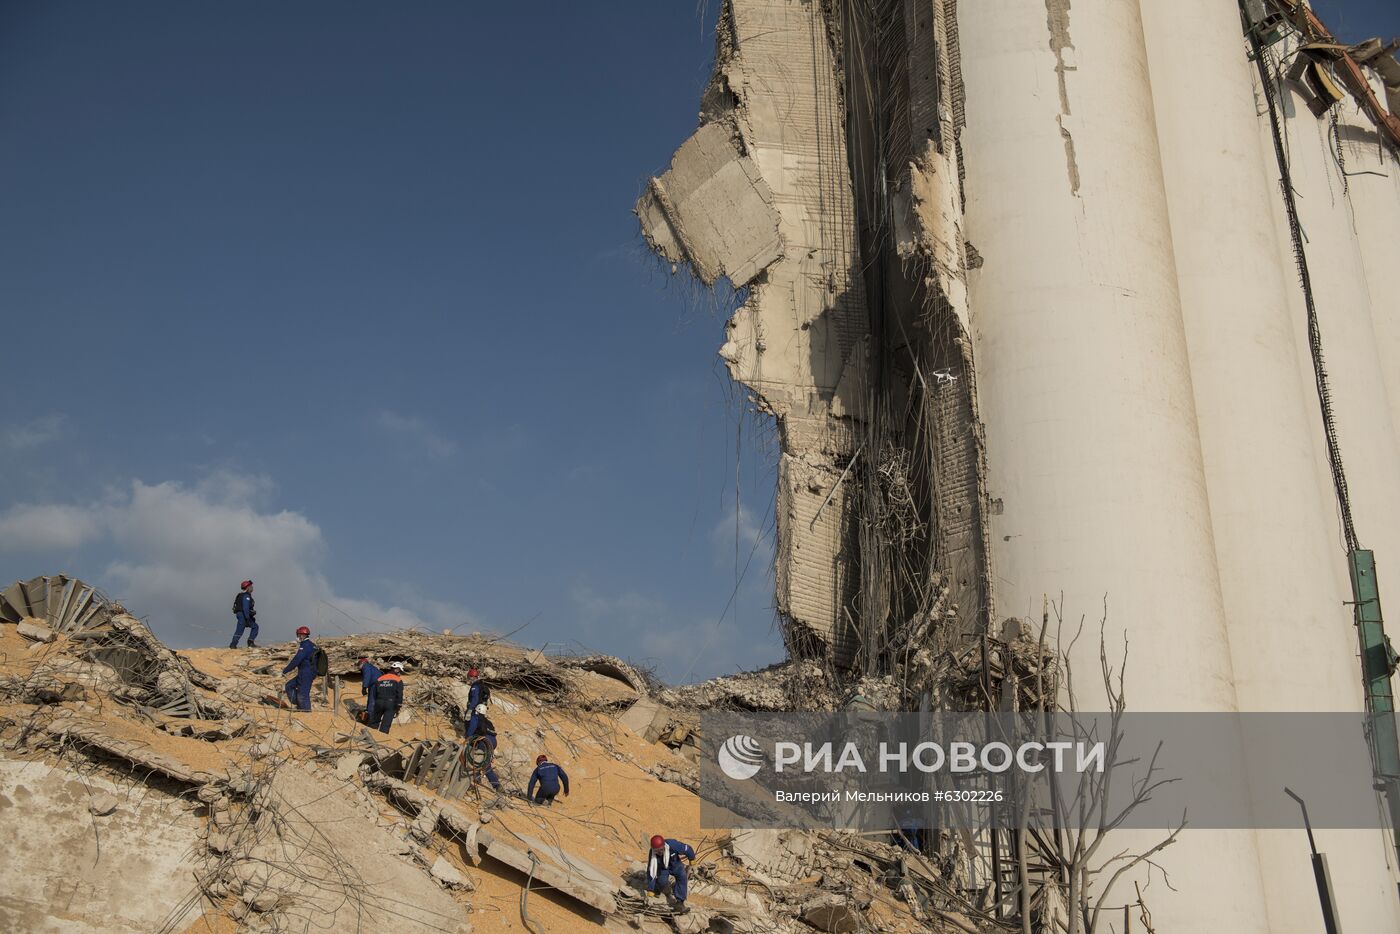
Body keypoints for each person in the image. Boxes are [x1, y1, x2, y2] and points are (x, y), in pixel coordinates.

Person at [645, 835, 695, 910]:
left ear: (664, 846)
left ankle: (680, 902)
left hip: (676, 865)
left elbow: (687, 849)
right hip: (663, 868)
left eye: (661, 849)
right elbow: (651, 870)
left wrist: (692, 858)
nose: (659, 852)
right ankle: (659, 889)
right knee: (662, 882)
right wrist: (650, 889)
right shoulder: (652, 853)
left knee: (682, 876)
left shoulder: (673, 845)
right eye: (656, 851)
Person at [282, 626, 316, 711]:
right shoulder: (311, 645)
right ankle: (299, 705)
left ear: (303, 635)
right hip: (306, 672)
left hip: (306, 673)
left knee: (303, 694)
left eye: (300, 635)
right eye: (299, 635)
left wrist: (285, 671)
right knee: (289, 686)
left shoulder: (305, 646)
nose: (299, 637)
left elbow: (296, 660)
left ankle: (305, 712)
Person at [469, 711, 502, 792]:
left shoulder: (476, 718)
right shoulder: (487, 721)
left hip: (484, 740)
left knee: (476, 759)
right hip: (493, 741)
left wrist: (469, 738)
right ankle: (497, 785)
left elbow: (471, 730)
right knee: (486, 763)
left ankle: (476, 779)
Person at [370, 662, 405, 734]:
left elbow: (374, 692)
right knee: (385, 725)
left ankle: (371, 737)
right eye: (400, 671)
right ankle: (381, 741)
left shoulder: (380, 679)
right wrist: (398, 706)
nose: (400, 674)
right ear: (397, 670)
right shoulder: (398, 680)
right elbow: (400, 694)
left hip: (378, 702)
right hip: (390, 704)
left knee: (374, 723)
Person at [229, 580, 257, 649]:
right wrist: (247, 618)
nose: (252, 587)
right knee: (254, 627)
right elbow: (245, 607)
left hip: (241, 614)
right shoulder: (246, 596)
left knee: (240, 629)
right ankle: (250, 642)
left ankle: (233, 644)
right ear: (248, 587)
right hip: (243, 615)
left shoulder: (241, 595)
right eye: (251, 586)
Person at [357, 657, 381, 723]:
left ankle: (370, 719)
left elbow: (367, 677)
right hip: (377, 684)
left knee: (372, 700)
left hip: (375, 684)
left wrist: (364, 688)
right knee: (373, 700)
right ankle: (370, 715)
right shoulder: (371, 667)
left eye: (358, 665)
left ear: (362, 663)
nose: (358, 667)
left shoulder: (366, 666)